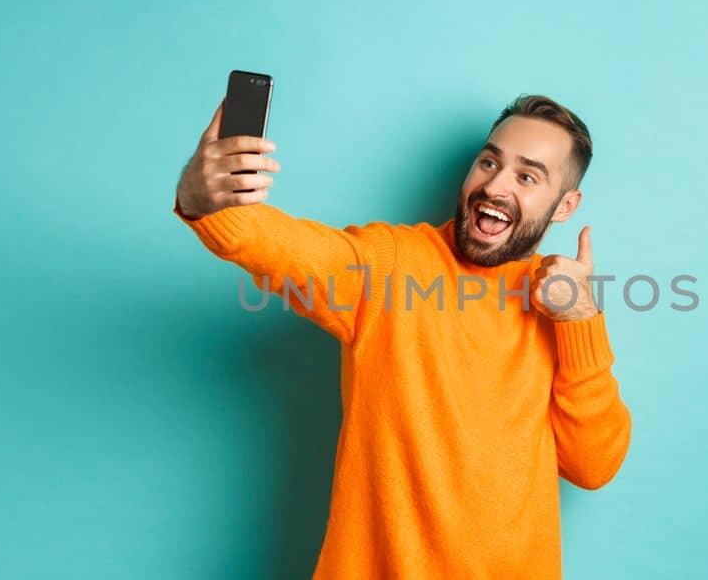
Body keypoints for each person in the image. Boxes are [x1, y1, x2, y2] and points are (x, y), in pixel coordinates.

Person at [173, 94, 632, 578]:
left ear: (565, 206)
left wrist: (581, 320)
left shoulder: (562, 302)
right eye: (489, 161)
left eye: (527, 176)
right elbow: (281, 246)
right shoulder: (391, 265)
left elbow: (593, 465)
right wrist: (202, 201)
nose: (494, 186)